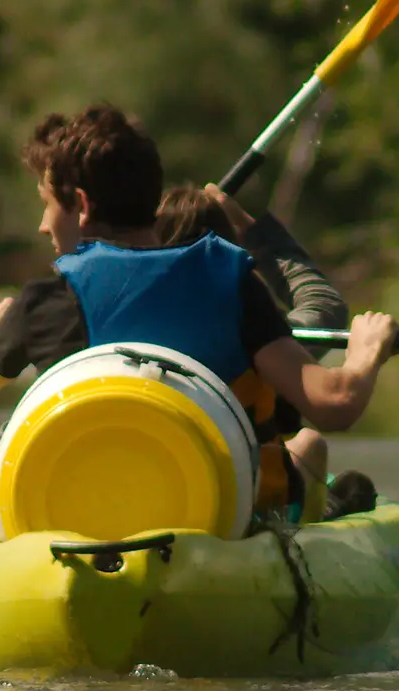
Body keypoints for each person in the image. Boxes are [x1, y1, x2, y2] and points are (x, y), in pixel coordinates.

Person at [0, 105, 399, 530]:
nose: (44, 225)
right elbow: (335, 403)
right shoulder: (231, 281)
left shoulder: (47, 299)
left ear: (81, 205)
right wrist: (366, 352)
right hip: (212, 507)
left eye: (48, 204)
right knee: (302, 447)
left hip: (73, 503)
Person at [155, 182, 382, 521]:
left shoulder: (106, 318)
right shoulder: (260, 335)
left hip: (154, 482)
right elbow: (322, 304)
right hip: (232, 499)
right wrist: (369, 349)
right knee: (308, 444)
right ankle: (313, 516)